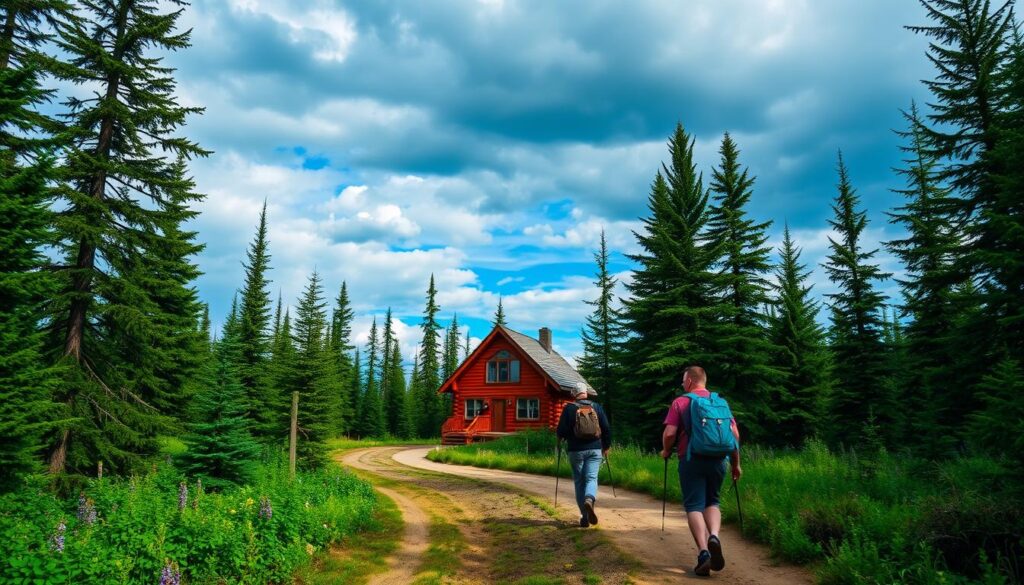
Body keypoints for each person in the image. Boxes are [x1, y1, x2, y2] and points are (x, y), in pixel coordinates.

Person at [661, 366, 742, 577]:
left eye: (682, 381)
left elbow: (670, 433)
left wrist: (666, 450)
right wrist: (736, 464)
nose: (682, 384)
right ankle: (714, 535)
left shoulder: (681, 402)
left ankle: (704, 552)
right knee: (712, 502)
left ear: (689, 382)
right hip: (719, 460)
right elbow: (734, 435)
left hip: (691, 459)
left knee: (694, 505)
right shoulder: (720, 402)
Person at [556, 381, 612, 528]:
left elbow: (561, 431)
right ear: (586, 392)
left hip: (575, 450)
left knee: (579, 481)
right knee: (591, 478)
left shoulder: (569, 409)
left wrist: (560, 440)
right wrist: (606, 447)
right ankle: (589, 498)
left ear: (574, 394)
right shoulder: (597, 407)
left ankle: (584, 517)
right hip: (595, 449)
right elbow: (606, 428)